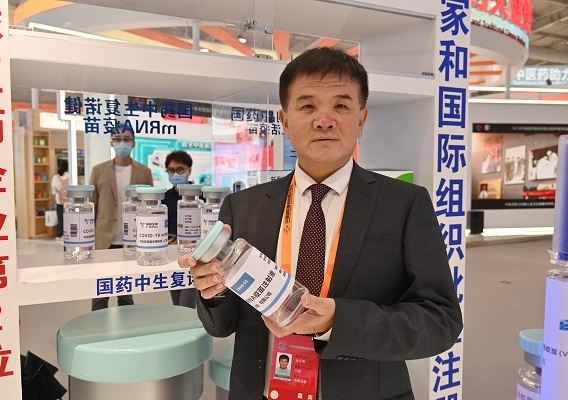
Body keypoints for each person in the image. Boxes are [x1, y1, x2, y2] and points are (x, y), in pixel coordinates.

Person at [178, 47, 462, 400]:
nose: (324, 120)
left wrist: (337, 321)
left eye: (341, 106)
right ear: (284, 120)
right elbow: (223, 325)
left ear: (361, 119)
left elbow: (441, 321)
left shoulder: (404, 204)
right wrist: (215, 291)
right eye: (308, 106)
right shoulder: (244, 207)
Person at [89, 130, 153, 311]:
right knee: (101, 289)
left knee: (126, 288)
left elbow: (150, 204)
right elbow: (92, 204)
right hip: (104, 238)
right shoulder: (98, 170)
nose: (122, 142)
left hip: (132, 240)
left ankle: (127, 321)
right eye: (118, 139)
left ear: (133, 143)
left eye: (126, 139)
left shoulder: (144, 172)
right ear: (111, 142)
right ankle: (97, 322)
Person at [162, 150, 197, 309]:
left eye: (180, 170)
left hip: (193, 257)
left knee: (186, 304)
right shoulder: (164, 198)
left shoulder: (200, 197)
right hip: (171, 256)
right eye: (171, 170)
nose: (175, 174)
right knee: (176, 304)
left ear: (189, 170)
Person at [51, 159, 69, 241]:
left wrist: (52, 201)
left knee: (61, 219)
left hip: (59, 202)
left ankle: (61, 234)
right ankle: (68, 234)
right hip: (69, 202)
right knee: (69, 219)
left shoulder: (56, 177)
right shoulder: (70, 176)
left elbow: (53, 191)